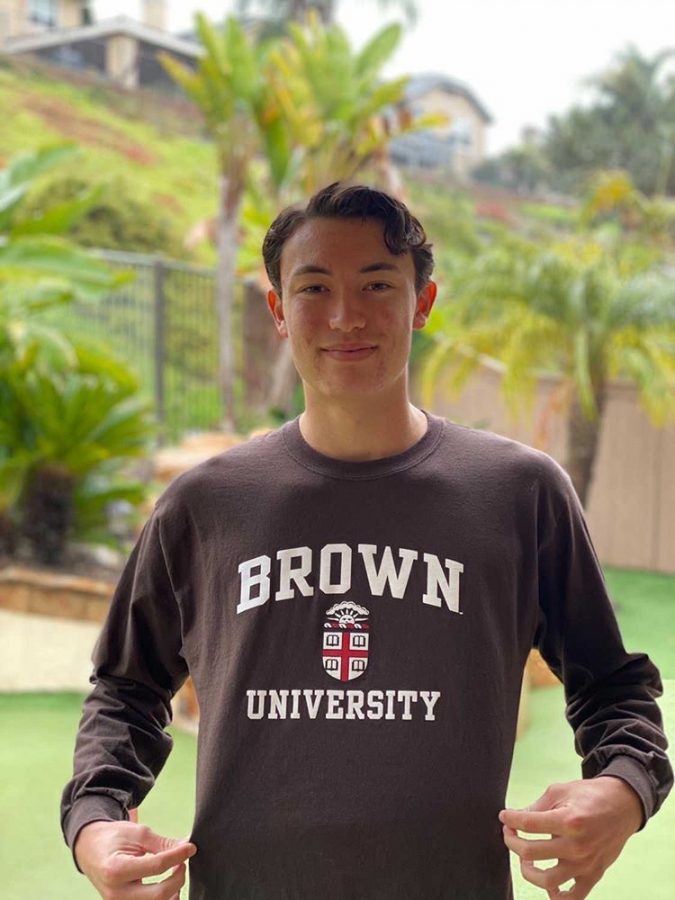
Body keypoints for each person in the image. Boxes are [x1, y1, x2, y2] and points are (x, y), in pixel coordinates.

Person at [61, 183, 672, 900]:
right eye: (314, 286)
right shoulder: (205, 506)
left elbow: (614, 687)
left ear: (422, 303)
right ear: (278, 310)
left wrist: (624, 792)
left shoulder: (518, 493)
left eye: (376, 284)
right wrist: (94, 819)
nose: (345, 316)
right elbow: (126, 689)